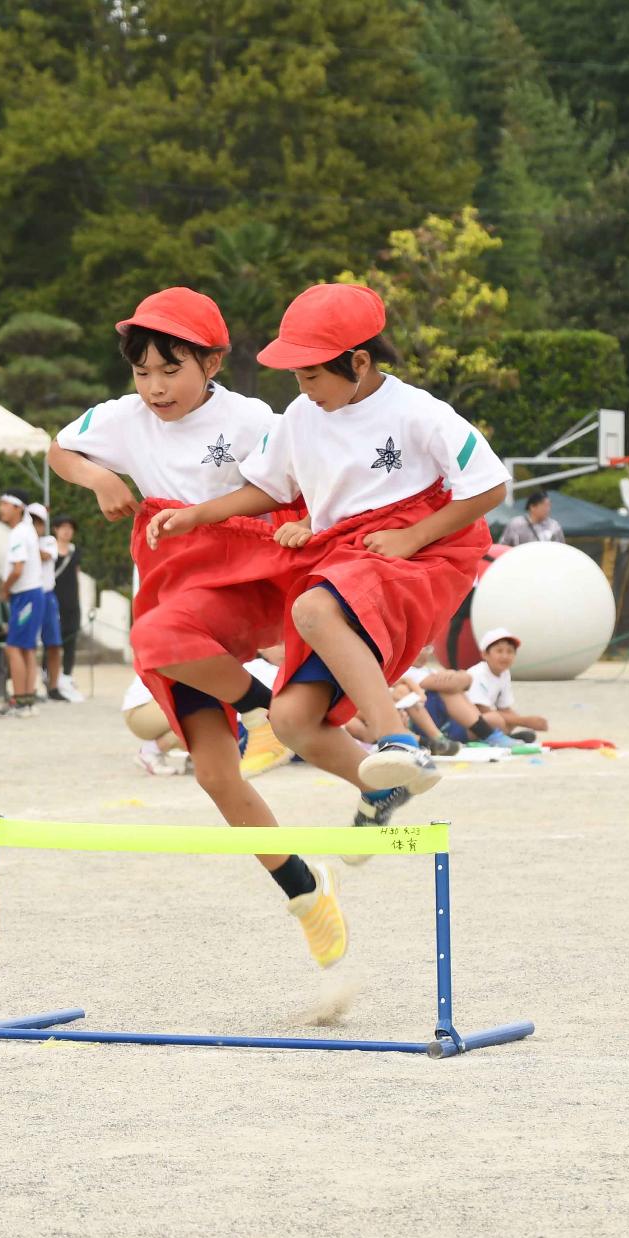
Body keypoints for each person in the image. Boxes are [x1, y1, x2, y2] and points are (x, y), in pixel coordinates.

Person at [146, 282, 509, 852]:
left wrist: (413, 536)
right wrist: (198, 515)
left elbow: (488, 485)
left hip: (420, 553)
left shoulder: (419, 412)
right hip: (346, 559)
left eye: (312, 375)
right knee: (291, 720)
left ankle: (399, 740)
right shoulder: (300, 414)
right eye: (296, 375)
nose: (303, 388)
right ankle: (381, 787)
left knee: (311, 606)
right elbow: (268, 487)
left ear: (359, 362)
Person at [50, 286, 345, 965]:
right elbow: (60, 451)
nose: (154, 387)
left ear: (211, 363)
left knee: (156, 640)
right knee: (216, 776)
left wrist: (304, 523)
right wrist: (96, 479)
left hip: (236, 580)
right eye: (142, 371)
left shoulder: (250, 419)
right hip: (168, 587)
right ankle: (306, 891)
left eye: (170, 369)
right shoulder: (124, 419)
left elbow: (303, 477)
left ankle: (267, 711)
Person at [429, 627, 546, 744]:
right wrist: (525, 721)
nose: (505, 656)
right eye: (499, 651)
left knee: (509, 718)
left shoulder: (504, 673)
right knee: (497, 720)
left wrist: (519, 720)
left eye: (510, 651)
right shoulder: (478, 674)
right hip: (458, 722)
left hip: (481, 719)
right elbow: (481, 711)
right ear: (485, 654)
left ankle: (503, 736)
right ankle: (495, 737)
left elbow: (505, 708)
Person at [0, 492, 42, 718]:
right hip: (32, 594)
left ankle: (21, 701)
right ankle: (27, 700)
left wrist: (4, 588)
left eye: (5, 503)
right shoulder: (27, 530)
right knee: (27, 649)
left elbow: (17, 569)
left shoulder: (19, 533)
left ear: (17, 507)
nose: (1, 508)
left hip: (25, 595)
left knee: (13, 647)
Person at [27, 502, 69, 701]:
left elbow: (44, 557)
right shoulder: (23, 539)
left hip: (47, 596)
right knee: (29, 646)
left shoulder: (49, 542)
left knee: (53, 644)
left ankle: (53, 686)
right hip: (29, 595)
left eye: (39, 522)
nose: (36, 526)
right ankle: (29, 687)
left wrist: (29, 541)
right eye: (32, 522)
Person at [51, 515, 86, 699]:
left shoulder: (75, 552)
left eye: (70, 528)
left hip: (72, 604)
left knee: (70, 641)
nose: (67, 531)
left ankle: (66, 676)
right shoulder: (49, 551)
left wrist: (79, 601)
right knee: (53, 642)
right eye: (63, 527)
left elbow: (76, 576)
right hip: (54, 603)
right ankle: (49, 678)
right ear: (55, 529)